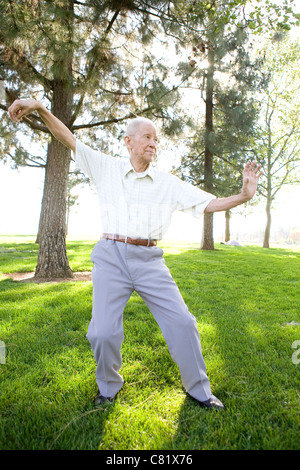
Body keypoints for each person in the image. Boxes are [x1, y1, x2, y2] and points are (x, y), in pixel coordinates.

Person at [8, 99, 262, 410]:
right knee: (101, 332)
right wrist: (41, 108)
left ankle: (199, 391)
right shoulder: (107, 168)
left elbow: (209, 204)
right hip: (110, 257)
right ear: (128, 141)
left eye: (156, 139)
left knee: (183, 323)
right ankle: (109, 388)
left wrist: (244, 196)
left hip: (150, 260)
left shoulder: (167, 183)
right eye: (147, 137)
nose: (153, 143)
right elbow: (67, 138)